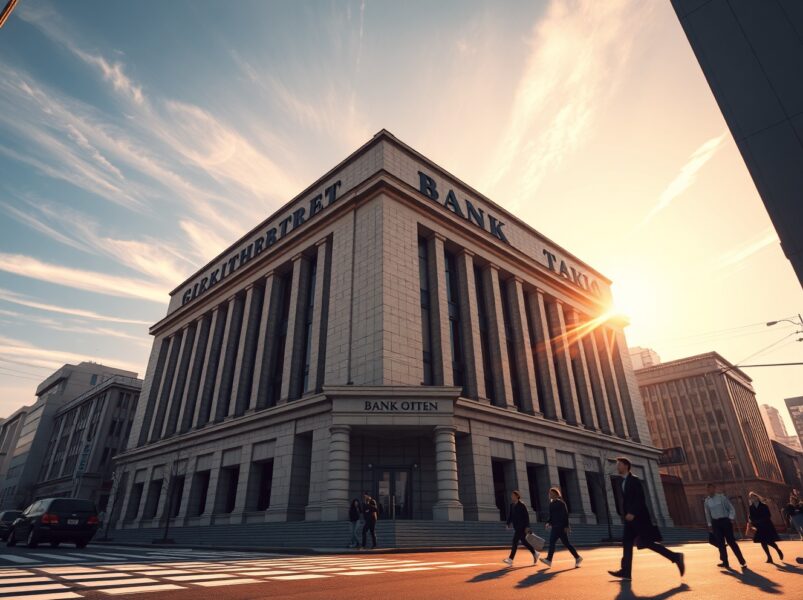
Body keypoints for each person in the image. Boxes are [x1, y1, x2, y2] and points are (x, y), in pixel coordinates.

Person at [608, 457, 684, 581]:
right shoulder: (623, 482)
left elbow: (640, 499)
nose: (617, 467)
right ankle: (626, 571)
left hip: (639, 519)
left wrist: (632, 512)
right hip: (630, 520)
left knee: (648, 543)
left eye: (619, 465)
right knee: (626, 542)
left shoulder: (635, 480)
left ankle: (676, 557)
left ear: (626, 466)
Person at [704, 483, 746, 569]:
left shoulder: (721, 497)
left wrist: (730, 518)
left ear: (714, 489)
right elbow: (707, 514)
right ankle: (725, 563)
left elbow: (731, 508)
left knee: (731, 542)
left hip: (725, 521)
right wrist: (709, 525)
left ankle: (742, 561)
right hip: (715, 523)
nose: (709, 490)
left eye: (711, 488)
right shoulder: (707, 501)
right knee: (720, 543)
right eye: (708, 489)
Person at [540, 487, 581, 568]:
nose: (550, 495)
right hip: (555, 526)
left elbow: (565, 515)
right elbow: (551, 516)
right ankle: (577, 557)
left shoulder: (561, 503)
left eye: (551, 493)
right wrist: (548, 522)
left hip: (561, 527)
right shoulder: (551, 504)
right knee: (565, 543)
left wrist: (566, 526)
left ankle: (549, 559)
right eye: (549, 494)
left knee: (554, 542)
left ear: (556, 494)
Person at [503, 490, 539, 566]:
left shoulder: (522, 505)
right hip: (516, 526)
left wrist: (527, 526)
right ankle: (535, 553)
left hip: (522, 527)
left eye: (513, 495)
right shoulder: (511, 505)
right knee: (524, 542)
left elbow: (526, 516)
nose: (511, 497)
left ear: (517, 496)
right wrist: (508, 523)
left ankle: (510, 559)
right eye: (511, 495)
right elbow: (510, 516)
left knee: (514, 541)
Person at [746, 492, 783, 563]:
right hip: (758, 527)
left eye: (753, 497)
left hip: (766, 526)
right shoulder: (751, 507)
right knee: (763, 542)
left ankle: (778, 550)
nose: (752, 499)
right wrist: (753, 521)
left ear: (757, 497)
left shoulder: (764, 505)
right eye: (751, 498)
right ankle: (769, 557)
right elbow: (751, 516)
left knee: (770, 541)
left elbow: (768, 515)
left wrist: (760, 520)